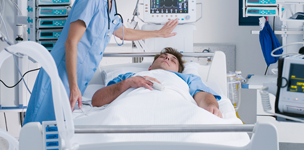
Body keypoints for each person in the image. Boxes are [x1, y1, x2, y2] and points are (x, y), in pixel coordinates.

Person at [24, 0, 179, 124]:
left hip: (75, 77)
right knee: (41, 125)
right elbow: (71, 42)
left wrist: (158, 33)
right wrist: (74, 86)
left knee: (58, 130)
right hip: (61, 74)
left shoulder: (110, 5)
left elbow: (122, 32)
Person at [92, 47, 223, 118]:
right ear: (150, 67)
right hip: (128, 110)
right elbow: (97, 100)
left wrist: (211, 106)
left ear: (178, 71)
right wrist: (127, 83)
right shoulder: (129, 76)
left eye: (173, 60)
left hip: (177, 110)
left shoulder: (187, 78)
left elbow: (203, 96)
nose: (167, 58)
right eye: (163, 56)